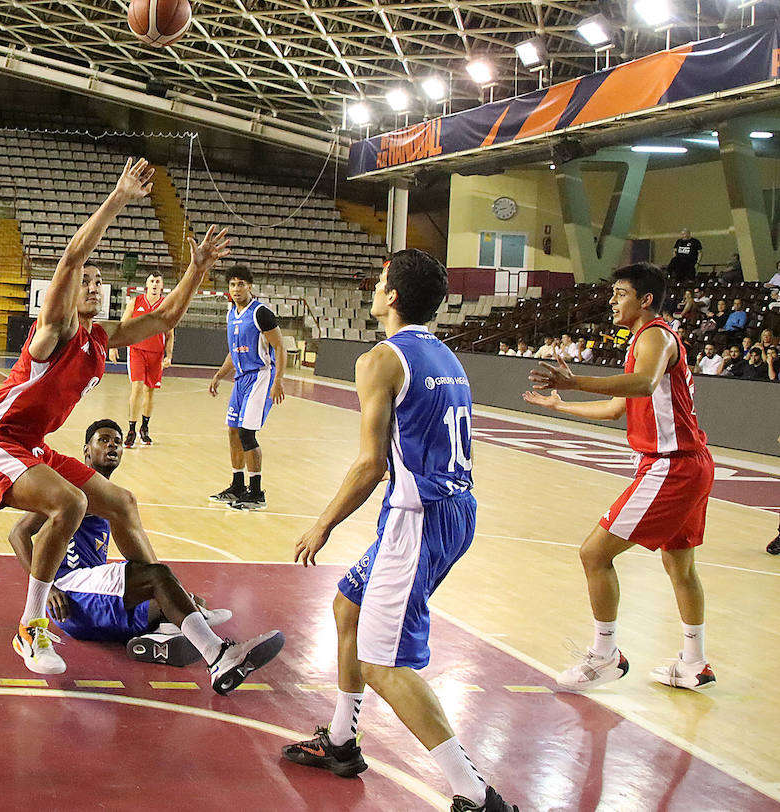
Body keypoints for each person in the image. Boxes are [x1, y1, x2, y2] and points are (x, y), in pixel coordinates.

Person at [0, 159, 278, 690]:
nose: (90, 284)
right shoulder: (53, 333)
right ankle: (30, 625)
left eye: (97, 281)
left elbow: (163, 319)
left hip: (32, 448)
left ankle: (196, 631)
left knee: (122, 502)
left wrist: (197, 267)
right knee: (72, 503)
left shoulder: (100, 338)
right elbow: (70, 258)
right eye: (84, 280)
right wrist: (118, 198)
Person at [284, 250, 518, 812]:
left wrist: (322, 524)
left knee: (383, 665)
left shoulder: (381, 360)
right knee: (348, 606)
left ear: (391, 297)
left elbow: (372, 465)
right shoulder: (446, 356)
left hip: (417, 519)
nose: (376, 287)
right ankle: (341, 742)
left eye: (381, 281)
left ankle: (474, 791)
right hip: (455, 511)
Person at [524, 262, 716, 694]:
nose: (612, 300)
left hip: (672, 465)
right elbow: (618, 408)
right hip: (691, 464)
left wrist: (576, 383)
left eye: (620, 293)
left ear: (644, 300)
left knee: (594, 553)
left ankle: (607, 654)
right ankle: (694, 663)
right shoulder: (643, 341)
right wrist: (560, 407)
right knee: (679, 564)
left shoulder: (655, 336)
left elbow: (644, 384)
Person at [8, 420, 275, 682]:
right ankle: (217, 656)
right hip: (72, 596)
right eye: (103, 440)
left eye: (117, 441)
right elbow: (18, 534)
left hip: (93, 597)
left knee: (183, 602)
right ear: (86, 450)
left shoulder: (108, 494)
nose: (112, 445)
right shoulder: (72, 488)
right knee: (163, 584)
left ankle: (159, 638)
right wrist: (49, 588)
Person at [207, 264, 286, 511]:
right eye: (232, 284)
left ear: (249, 286)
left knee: (246, 433)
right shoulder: (231, 313)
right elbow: (233, 351)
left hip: (260, 377)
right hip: (241, 379)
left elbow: (280, 347)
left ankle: (256, 492)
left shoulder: (261, 313)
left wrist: (278, 380)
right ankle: (238, 485)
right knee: (232, 430)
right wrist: (220, 374)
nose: (236, 288)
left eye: (241, 284)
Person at [122, 272, 174, 447]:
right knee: (136, 388)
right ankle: (131, 429)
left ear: (162, 286)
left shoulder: (166, 306)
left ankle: (144, 428)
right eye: (151, 281)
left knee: (150, 391)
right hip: (137, 351)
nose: (154, 284)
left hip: (156, 353)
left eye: (157, 281)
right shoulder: (135, 303)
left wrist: (169, 355)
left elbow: (170, 333)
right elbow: (122, 325)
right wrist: (113, 347)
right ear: (146, 284)